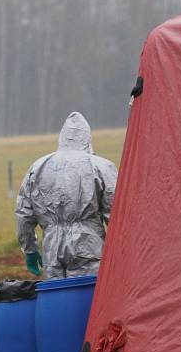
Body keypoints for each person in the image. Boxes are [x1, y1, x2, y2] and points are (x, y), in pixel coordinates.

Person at [15, 112, 118, 279]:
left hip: (52, 248)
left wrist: (30, 250)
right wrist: (124, 248)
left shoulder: (38, 167)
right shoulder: (100, 166)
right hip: (88, 245)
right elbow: (116, 213)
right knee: (87, 297)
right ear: (87, 137)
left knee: (58, 297)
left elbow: (24, 214)